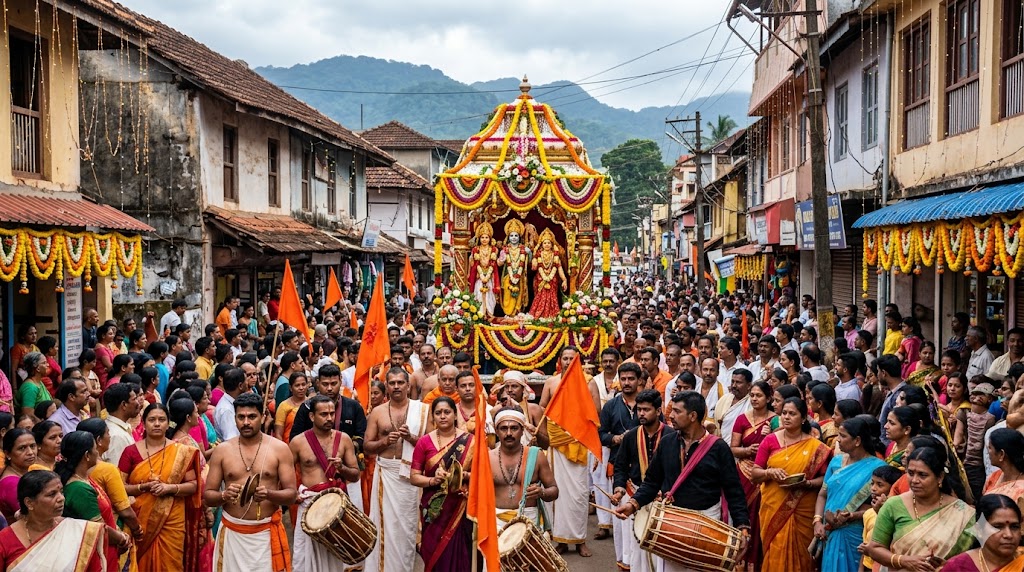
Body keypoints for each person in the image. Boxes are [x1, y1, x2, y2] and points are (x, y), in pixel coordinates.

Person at [615, 391, 750, 571]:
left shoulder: (718, 448)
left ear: (693, 416)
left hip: (706, 522)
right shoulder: (667, 442)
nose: (670, 415)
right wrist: (633, 504)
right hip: (671, 522)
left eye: (677, 411)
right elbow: (651, 482)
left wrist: (743, 527)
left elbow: (734, 491)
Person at [205, 392, 297, 572]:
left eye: (252, 416)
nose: (246, 422)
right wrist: (224, 495)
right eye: (241, 417)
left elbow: (291, 495)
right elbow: (208, 496)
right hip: (233, 533)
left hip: (265, 536)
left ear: (262, 417)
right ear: (235, 418)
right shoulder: (222, 451)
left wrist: (269, 494)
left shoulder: (279, 449)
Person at [750, 397, 832, 571]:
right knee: (776, 551)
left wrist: (806, 484)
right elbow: (755, 473)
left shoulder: (816, 447)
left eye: (792, 414)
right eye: (784, 413)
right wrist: (769, 472)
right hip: (773, 508)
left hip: (803, 509)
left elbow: (825, 480)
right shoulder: (770, 440)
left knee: (802, 557)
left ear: (803, 419)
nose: (786, 417)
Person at [119, 403, 202, 571]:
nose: (157, 424)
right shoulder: (130, 452)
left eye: (161, 419)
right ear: (143, 423)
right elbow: (120, 488)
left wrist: (169, 489)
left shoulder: (182, 451)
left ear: (168, 423)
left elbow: (193, 485)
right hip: (140, 520)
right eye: (152, 420)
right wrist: (144, 488)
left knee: (171, 563)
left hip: (172, 518)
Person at [863, 446, 976, 570]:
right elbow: (874, 549)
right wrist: (904, 561)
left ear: (940, 477)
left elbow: (985, 552)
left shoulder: (964, 512)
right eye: (910, 473)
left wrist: (950, 566)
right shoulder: (893, 505)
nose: (914, 480)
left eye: (922, 475)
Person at [363, 368, 431, 572]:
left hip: (411, 477)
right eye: (392, 383)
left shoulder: (422, 410)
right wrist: (384, 441)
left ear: (408, 386)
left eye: (401, 382)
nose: (396, 386)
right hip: (386, 474)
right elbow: (366, 446)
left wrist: (411, 439)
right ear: (387, 386)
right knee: (385, 527)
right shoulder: (378, 412)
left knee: (407, 529)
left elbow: (431, 447)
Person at [290, 394, 360, 572]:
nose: (329, 418)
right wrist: (293, 493)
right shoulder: (298, 442)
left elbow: (355, 475)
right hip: (309, 505)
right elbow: (285, 473)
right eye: (323, 414)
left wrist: (341, 468)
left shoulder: (344, 439)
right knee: (305, 558)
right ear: (312, 417)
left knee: (335, 558)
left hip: (336, 506)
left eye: (332, 413)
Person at [538, 347, 593, 557]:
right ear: (560, 360)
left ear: (578, 361)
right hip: (556, 443)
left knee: (578, 495)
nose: (569, 361)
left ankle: (580, 541)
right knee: (557, 493)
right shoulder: (551, 382)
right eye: (566, 358)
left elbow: (595, 411)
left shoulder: (588, 383)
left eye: (573, 358)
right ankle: (559, 539)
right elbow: (542, 407)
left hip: (577, 444)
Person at [812, 416, 887, 572]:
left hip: (854, 533)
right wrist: (817, 521)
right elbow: (822, 494)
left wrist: (853, 515)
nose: (838, 440)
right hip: (829, 531)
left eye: (843, 436)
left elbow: (882, 506)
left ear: (857, 441)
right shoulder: (836, 462)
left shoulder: (878, 467)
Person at [408, 396, 474, 571]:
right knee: (434, 557)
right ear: (433, 417)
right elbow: (414, 476)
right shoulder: (424, 442)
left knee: (461, 555)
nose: (443, 416)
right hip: (434, 509)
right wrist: (432, 480)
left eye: (447, 412)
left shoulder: (471, 441)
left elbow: (481, 476)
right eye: (438, 413)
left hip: (460, 507)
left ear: (455, 415)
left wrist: (460, 475)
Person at [611, 389, 672, 572]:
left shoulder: (670, 435)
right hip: (633, 494)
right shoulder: (631, 436)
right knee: (636, 547)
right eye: (639, 410)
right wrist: (619, 488)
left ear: (658, 411)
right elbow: (620, 466)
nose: (642, 414)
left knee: (660, 551)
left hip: (662, 500)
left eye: (646, 410)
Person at [0, 470, 107, 571]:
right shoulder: (5, 540)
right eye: (52, 494)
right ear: (29, 503)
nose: (61, 498)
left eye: (61, 492)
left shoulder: (80, 532)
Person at [54, 431, 132, 566]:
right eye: (95, 448)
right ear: (87, 455)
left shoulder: (84, 478)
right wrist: (121, 538)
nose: (98, 452)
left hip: (107, 547)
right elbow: (99, 529)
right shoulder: (78, 489)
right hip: (96, 554)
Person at [77, 417, 144, 572]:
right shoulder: (107, 469)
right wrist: (137, 530)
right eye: (108, 433)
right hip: (114, 530)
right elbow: (124, 509)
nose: (110, 437)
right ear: (99, 440)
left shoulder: (76, 469)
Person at [729, 380, 776, 571]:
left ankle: (756, 562)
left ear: (769, 398)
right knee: (740, 514)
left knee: (758, 518)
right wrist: (748, 450)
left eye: (759, 395)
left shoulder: (776, 420)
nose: (755, 399)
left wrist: (769, 436)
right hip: (743, 473)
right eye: (753, 395)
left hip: (764, 476)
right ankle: (737, 560)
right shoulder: (742, 419)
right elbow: (733, 448)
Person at [598, 362, 641, 559]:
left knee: (641, 522)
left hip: (644, 471)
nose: (626, 383)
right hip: (618, 469)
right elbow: (601, 435)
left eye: (631, 378)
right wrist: (615, 439)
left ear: (639, 381)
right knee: (621, 521)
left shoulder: (647, 403)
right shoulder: (611, 405)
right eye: (623, 379)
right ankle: (623, 562)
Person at [491, 406, 558, 531]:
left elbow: (554, 490)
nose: (509, 433)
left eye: (514, 428)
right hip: (496, 522)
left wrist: (541, 492)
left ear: (522, 430)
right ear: (496, 431)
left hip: (529, 521)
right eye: (504, 428)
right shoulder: (487, 458)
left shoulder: (536, 456)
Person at [943, 494, 1024, 571]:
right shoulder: (957, 567)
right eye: (998, 527)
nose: (1008, 535)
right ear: (980, 530)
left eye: (1014, 527)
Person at [527, 228, 567, 318]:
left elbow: (559, 267)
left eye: (549, 243)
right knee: (540, 297)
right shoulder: (538, 255)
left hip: (552, 280)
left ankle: (552, 315)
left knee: (552, 297)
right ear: (541, 244)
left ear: (552, 244)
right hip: (540, 280)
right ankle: (538, 316)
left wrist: (564, 279)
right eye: (545, 243)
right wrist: (534, 260)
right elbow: (535, 267)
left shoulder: (555, 255)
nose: (547, 245)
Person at [0, 428, 36, 523]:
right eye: (22, 448)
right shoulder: (12, 484)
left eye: (32, 446)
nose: (30, 452)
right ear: (7, 454)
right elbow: (33, 518)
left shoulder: (24, 473)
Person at [102, 383, 140, 465]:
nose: (138, 403)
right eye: (134, 399)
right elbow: (117, 471)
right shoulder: (116, 436)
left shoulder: (117, 428)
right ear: (124, 404)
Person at [274, 372, 308, 442]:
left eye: (303, 385)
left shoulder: (311, 404)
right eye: (297, 385)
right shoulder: (284, 406)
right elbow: (278, 434)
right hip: (288, 447)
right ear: (290, 388)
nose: (301, 388)